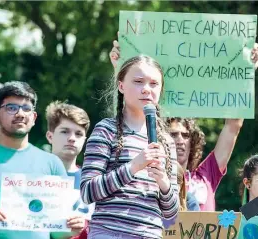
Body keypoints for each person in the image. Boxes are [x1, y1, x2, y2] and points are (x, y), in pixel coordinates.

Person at [109, 40, 258, 211]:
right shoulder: (145, 174)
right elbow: (127, 113)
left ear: (193, 141)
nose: (179, 140)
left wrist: (246, 72)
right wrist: (120, 68)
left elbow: (233, 126)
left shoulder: (206, 175)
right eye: (173, 134)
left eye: (185, 135)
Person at [81, 55, 179, 239]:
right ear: (121, 86)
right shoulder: (106, 130)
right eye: (138, 82)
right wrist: (134, 166)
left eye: (154, 84)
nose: (146, 90)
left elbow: (171, 214)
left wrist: (164, 183)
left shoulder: (166, 142)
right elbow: (88, 192)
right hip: (108, 233)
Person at [0, 81, 67, 239]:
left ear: (34, 117)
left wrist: (72, 228)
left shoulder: (52, 163)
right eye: (11, 108)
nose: (20, 114)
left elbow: (58, 231)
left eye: (26, 108)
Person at [45, 101, 92, 239]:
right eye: (65, 131)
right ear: (50, 136)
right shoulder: (34, 177)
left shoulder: (91, 181)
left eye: (78, 134)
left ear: (85, 140)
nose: (72, 138)